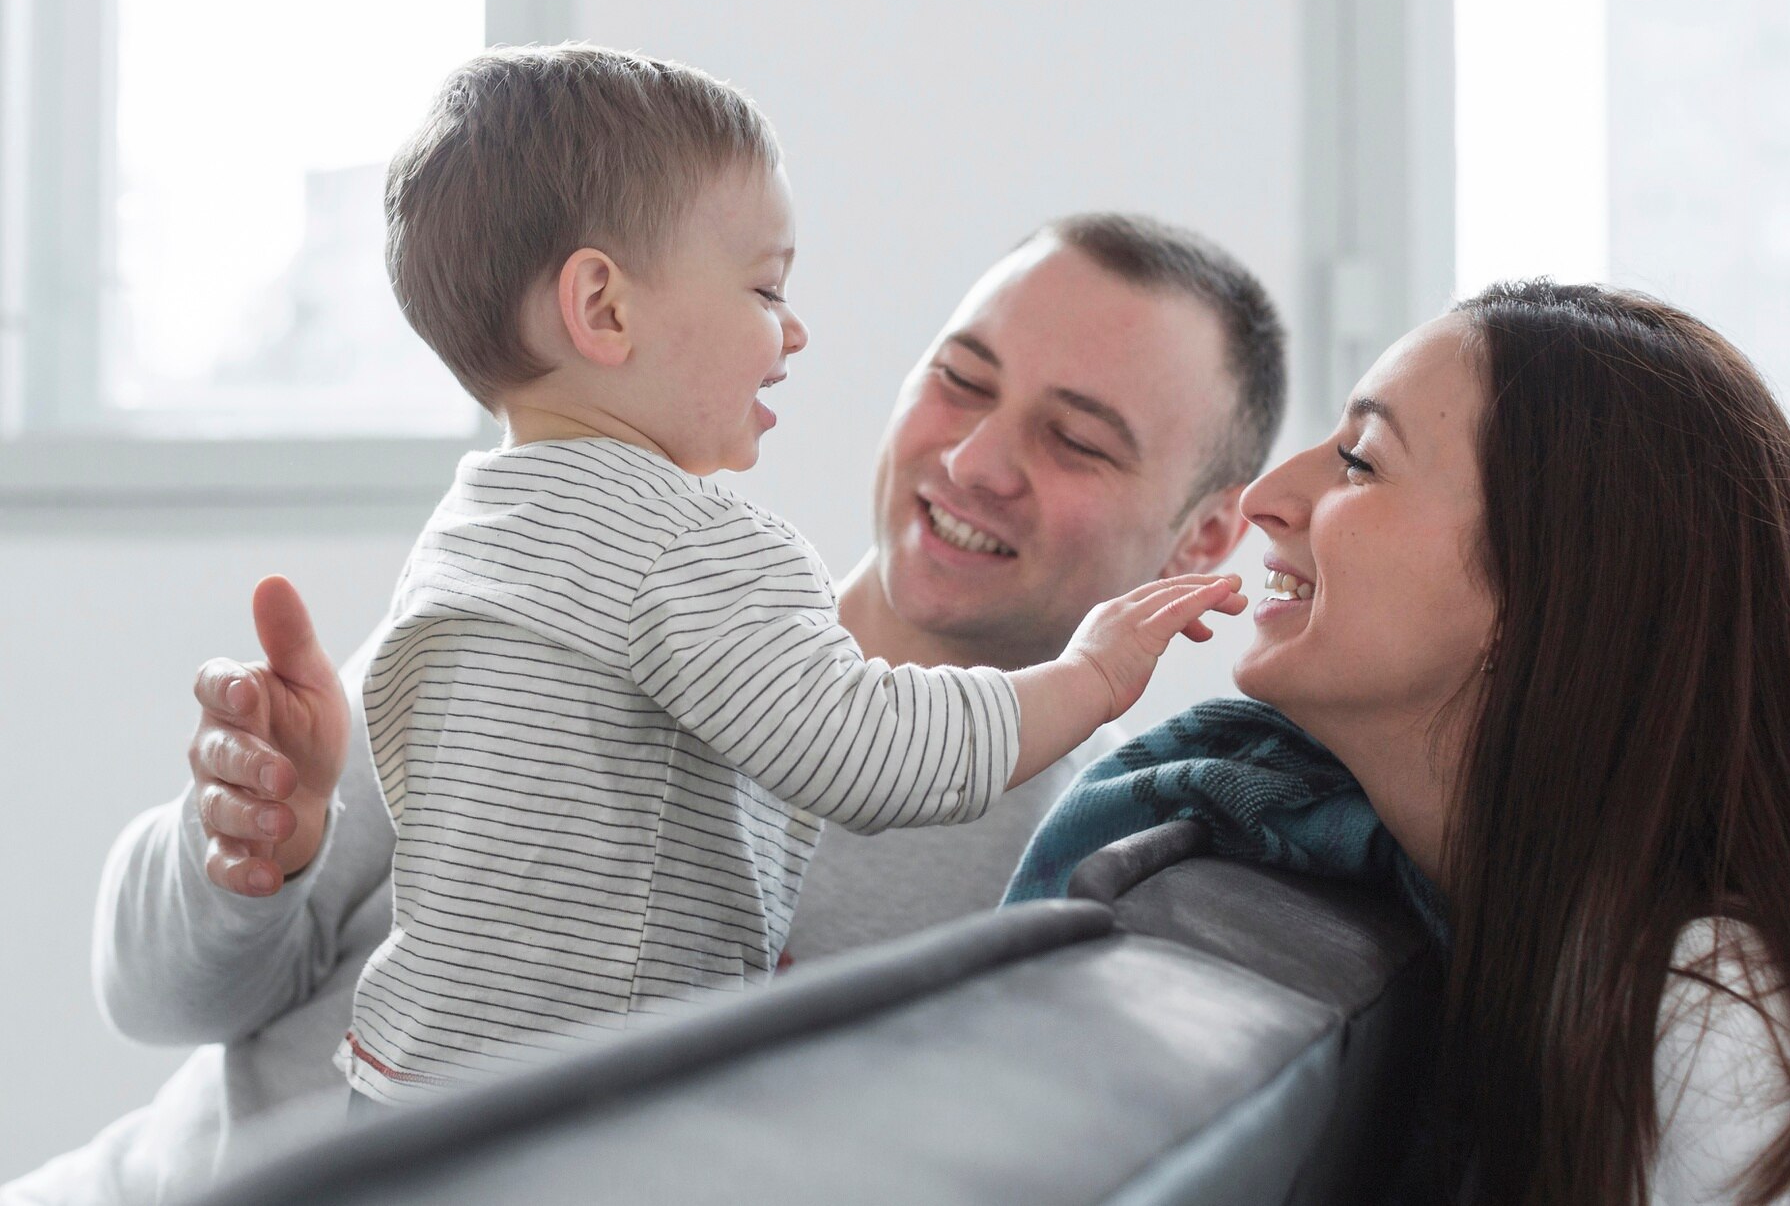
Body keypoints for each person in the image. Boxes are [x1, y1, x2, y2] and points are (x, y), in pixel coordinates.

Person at [7, 209, 1284, 1187]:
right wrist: (241, 856)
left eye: (1076, 439)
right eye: (960, 376)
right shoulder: (579, 577)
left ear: (1199, 538)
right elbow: (155, 998)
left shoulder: (1089, 866)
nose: (972, 459)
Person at [331, 45, 1245, 1105]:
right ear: (605, 309)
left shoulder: (474, 528)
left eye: (1076, 440)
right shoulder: (692, 542)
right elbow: (862, 750)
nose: (794, 330)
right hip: (585, 1118)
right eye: (766, 288)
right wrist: (1087, 681)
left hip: (401, 1091)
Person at [1207, 279, 1790, 1201]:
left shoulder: (1729, 1034)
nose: (1265, 497)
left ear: (1552, 592)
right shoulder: (1595, 961)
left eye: (1361, 461)